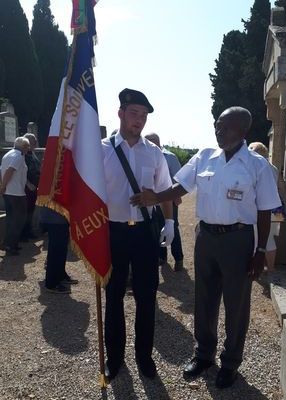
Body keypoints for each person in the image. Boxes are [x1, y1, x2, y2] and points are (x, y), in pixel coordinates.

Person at [130, 106, 281, 389]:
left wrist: (260, 251)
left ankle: (231, 362)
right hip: (206, 238)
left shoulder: (257, 165)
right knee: (205, 299)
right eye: (217, 125)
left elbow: (264, 211)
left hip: (238, 240)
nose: (218, 130)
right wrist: (155, 198)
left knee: (236, 304)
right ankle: (204, 354)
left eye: (225, 126)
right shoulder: (204, 157)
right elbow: (180, 187)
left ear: (243, 131)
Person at [102, 88, 174, 381]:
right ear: (120, 113)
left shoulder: (154, 153)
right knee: (113, 295)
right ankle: (115, 359)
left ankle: (144, 358)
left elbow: (166, 192)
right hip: (113, 231)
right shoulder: (101, 150)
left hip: (145, 233)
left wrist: (168, 221)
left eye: (143, 116)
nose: (139, 120)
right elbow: (89, 194)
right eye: (134, 113)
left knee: (147, 297)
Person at [144, 133, 184, 271]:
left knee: (173, 227)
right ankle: (162, 257)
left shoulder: (170, 157)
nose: (149, 145)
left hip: (169, 199)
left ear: (158, 142)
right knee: (157, 227)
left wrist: (175, 196)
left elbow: (179, 178)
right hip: (152, 201)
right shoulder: (144, 155)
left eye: (152, 142)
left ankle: (178, 258)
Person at [248, 142, 282, 271]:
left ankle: (267, 267)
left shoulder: (258, 166)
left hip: (263, 208)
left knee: (263, 238)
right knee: (269, 237)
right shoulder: (273, 168)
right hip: (274, 207)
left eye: (251, 150)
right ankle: (269, 266)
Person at [0, 136, 30, 255]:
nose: (28, 149)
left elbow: (2, 170)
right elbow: (9, 171)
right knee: (19, 219)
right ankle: (10, 245)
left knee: (11, 218)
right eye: (27, 146)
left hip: (9, 192)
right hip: (16, 193)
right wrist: (3, 186)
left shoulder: (8, 154)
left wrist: (3, 186)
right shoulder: (18, 156)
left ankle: (9, 243)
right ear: (23, 147)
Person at [40, 207, 78, 294]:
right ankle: (51, 283)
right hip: (54, 217)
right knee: (55, 251)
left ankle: (60, 275)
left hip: (63, 217)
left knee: (62, 249)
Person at [22, 133, 41, 240]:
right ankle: (23, 233)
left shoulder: (32, 153)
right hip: (27, 188)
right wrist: (29, 184)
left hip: (34, 188)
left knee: (31, 211)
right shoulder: (23, 155)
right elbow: (21, 172)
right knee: (25, 211)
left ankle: (28, 231)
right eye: (33, 141)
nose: (35, 142)